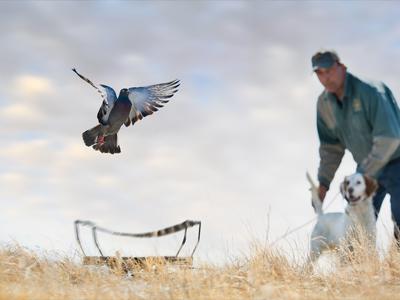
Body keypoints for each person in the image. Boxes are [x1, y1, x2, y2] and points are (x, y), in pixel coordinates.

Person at [312, 50, 400, 241]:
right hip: (366, 168)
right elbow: (330, 148)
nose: (326, 77)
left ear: (341, 67)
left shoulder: (372, 91)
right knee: (355, 226)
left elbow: (390, 138)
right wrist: (323, 184)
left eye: (329, 70)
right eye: (320, 73)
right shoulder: (324, 105)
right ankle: (359, 268)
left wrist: (365, 172)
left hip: (396, 161)